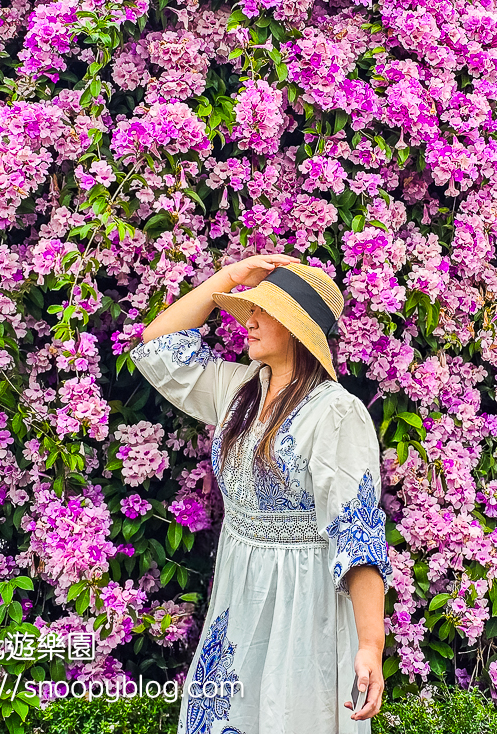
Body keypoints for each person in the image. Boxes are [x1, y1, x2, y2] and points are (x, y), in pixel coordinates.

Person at [129, 253, 392, 734]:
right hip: (240, 592)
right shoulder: (240, 388)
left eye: (261, 311)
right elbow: (157, 346)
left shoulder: (334, 412)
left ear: (295, 327)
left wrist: (370, 643)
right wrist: (226, 278)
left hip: (303, 603)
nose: (247, 320)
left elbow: (358, 533)